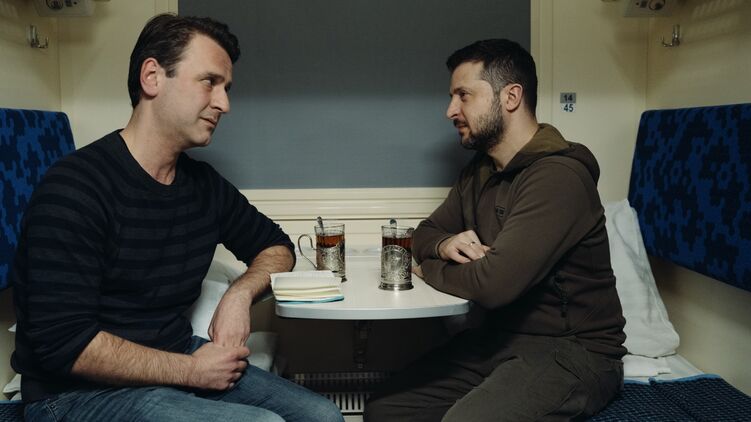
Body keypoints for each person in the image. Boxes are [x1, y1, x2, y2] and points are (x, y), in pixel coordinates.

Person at [11, 13, 343, 422]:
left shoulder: (202, 185)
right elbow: (64, 344)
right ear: (152, 77)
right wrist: (191, 370)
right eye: (209, 82)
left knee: (322, 416)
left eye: (226, 88)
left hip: (173, 361)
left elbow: (276, 247)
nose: (224, 104)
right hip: (73, 395)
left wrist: (239, 296)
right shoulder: (75, 187)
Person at [364, 39, 627, 421]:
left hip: (573, 352)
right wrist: (443, 244)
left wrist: (428, 268)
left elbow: (494, 285)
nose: (450, 110)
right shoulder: (480, 172)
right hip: (497, 341)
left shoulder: (558, 177)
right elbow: (423, 234)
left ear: (511, 97)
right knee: (385, 410)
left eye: (464, 95)